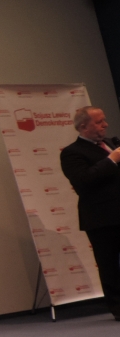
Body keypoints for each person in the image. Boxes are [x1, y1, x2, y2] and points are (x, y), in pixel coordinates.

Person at [60, 106, 120, 319]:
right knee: (109, 264)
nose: (105, 125)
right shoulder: (72, 152)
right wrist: (111, 160)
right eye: (99, 122)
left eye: (104, 120)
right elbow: (83, 180)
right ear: (83, 126)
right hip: (102, 217)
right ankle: (118, 307)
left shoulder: (112, 143)